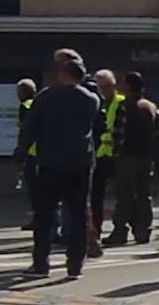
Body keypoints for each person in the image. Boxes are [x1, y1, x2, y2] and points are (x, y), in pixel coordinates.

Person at [16, 59, 100, 279]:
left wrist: (21, 152)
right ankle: (75, 265)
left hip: (51, 163)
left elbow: (30, 127)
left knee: (44, 215)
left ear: (63, 74)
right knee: (78, 213)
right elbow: (96, 127)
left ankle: (41, 264)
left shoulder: (46, 97)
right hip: (80, 163)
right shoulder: (91, 99)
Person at [105, 72, 159, 247]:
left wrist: (116, 153)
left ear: (129, 86)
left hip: (127, 156)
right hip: (147, 156)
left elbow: (118, 134)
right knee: (144, 194)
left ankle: (120, 230)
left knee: (124, 194)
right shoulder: (150, 106)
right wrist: (156, 143)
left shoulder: (125, 106)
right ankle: (143, 230)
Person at [90, 69, 124, 241]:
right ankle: (96, 228)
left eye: (105, 86)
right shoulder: (96, 103)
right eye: (100, 87)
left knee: (122, 193)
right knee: (96, 195)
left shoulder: (121, 102)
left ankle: (121, 228)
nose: (102, 90)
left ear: (113, 86)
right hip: (100, 156)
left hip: (117, 155)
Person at [15, 79, 37, 231]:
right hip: (43, 151)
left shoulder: (25, 106)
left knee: (34, 189)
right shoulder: (39, 104)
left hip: (32, 153)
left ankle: (38, 219)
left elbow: (26, 131)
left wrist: (20, 151)